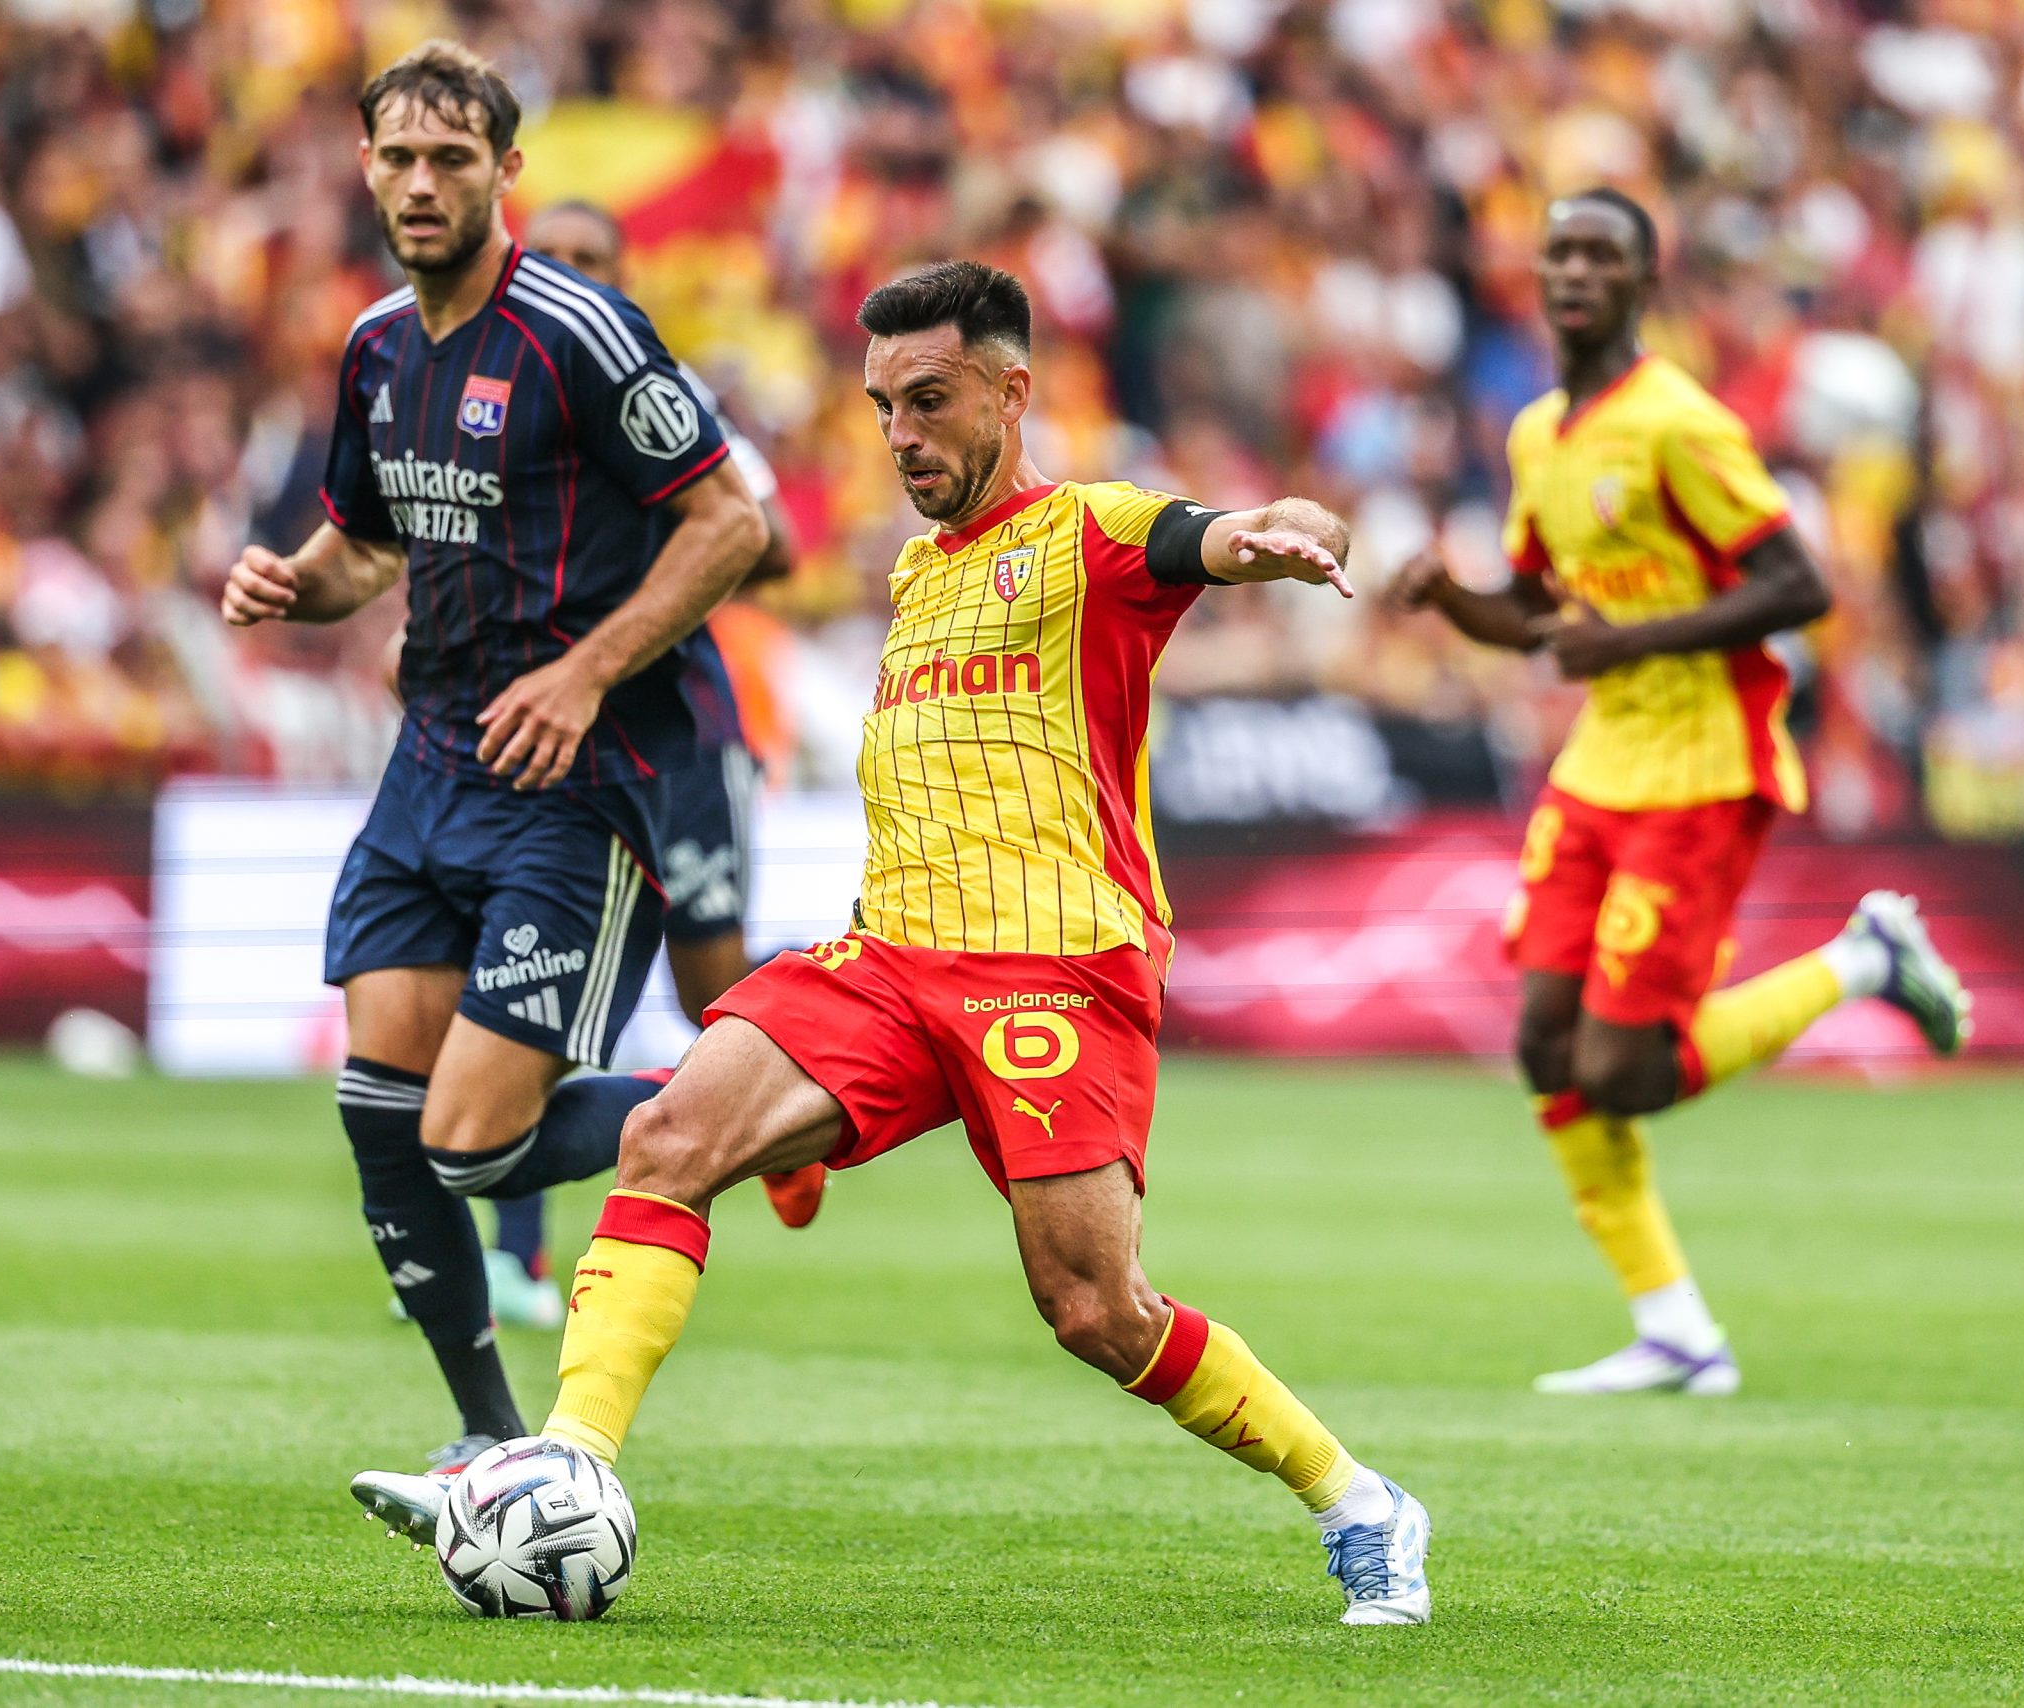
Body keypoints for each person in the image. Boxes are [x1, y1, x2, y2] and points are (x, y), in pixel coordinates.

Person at [352, 259, 1434, 1625]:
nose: (900, 435)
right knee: (666, 1140)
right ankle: (566, 1462)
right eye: (881, 407)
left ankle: (1359, 1500)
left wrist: (1278, 531)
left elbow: (1212, 535)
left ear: (1012, 392)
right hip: (891, 962)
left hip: (1054, 973)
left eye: (930, 400)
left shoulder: (1090, 533)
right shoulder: (919, 574)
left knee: (1095, 1309)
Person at [219, 42, 768, 1479]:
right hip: (430, 769)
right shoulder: (375, 347)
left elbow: (731, 523)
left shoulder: (578, 330)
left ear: (504, 173)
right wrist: (294, 582)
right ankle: (487, 1437)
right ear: (364, 167)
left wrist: (585, 673)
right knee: (380, 1115)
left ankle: (762, 1101)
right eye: (398, 158)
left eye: (451, 160)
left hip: (580, 788)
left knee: (469, 1145)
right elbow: (364, 548)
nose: (421, 184)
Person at [1392, 188, 1973, 1396]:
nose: (1574, 272)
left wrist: (1635, 640)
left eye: (1600, 255)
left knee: (1625, 1073)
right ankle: (1674, 1329)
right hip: (1600, 761)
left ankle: (1864, 958)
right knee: (1544, 1047)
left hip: (1704, 764)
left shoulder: (1679, 423)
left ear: (1643, 282)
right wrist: (1451, 599)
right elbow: (1540, 615)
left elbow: (1798, 585)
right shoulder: (1538, 435)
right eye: (1559, 253)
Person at [445, 199, 821, 1323]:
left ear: (626, 278)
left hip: (679, 738)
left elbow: (773, 540)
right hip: (549, 739)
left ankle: (805, 1078)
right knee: (532, 992)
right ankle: (516, 1261)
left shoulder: (664, 393)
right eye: (552, 258)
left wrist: (650, 531)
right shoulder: (487, 402)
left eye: (593, 260)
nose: (571, 276)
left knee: (713, 991)